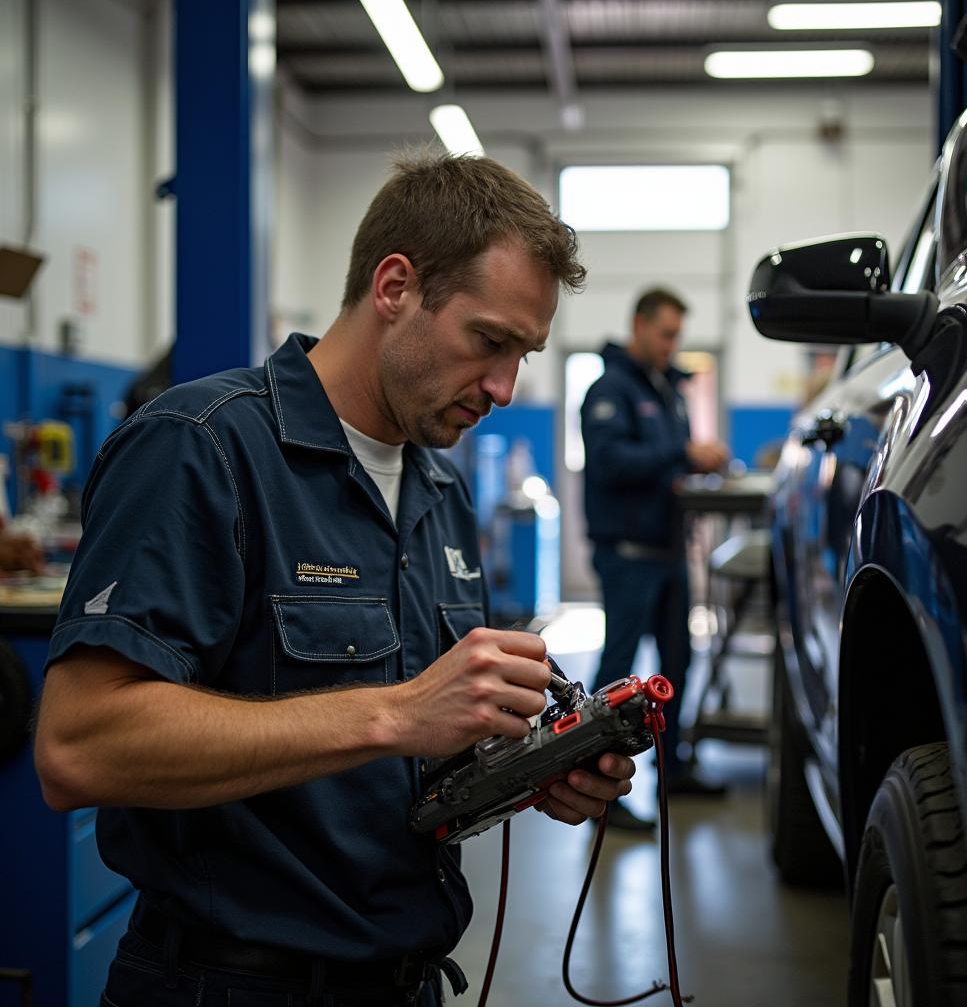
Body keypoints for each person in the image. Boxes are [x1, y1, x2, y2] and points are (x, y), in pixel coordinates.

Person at [33, 153, 637, 1007]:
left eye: (525, 356)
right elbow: (78, 746)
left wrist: (530, 770)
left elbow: (418, 762)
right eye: (490, 342)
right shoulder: (202, 448)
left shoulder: (441, 489)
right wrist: (393, 713)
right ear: (395, 287)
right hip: (229, 986)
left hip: (407, 982)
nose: (504, 387)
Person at [581, 288, 730, 832]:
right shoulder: (610, 389)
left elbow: (668, 461)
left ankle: (674, 766)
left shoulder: (666, 391)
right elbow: (610, 462)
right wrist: (682, 453)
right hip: (627, 554)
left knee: (677, 664)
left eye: (677, 336)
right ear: (638, 326)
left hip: (669, 552)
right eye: (665, 334)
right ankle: (597, 788)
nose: (671, 345)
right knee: (617, 674)